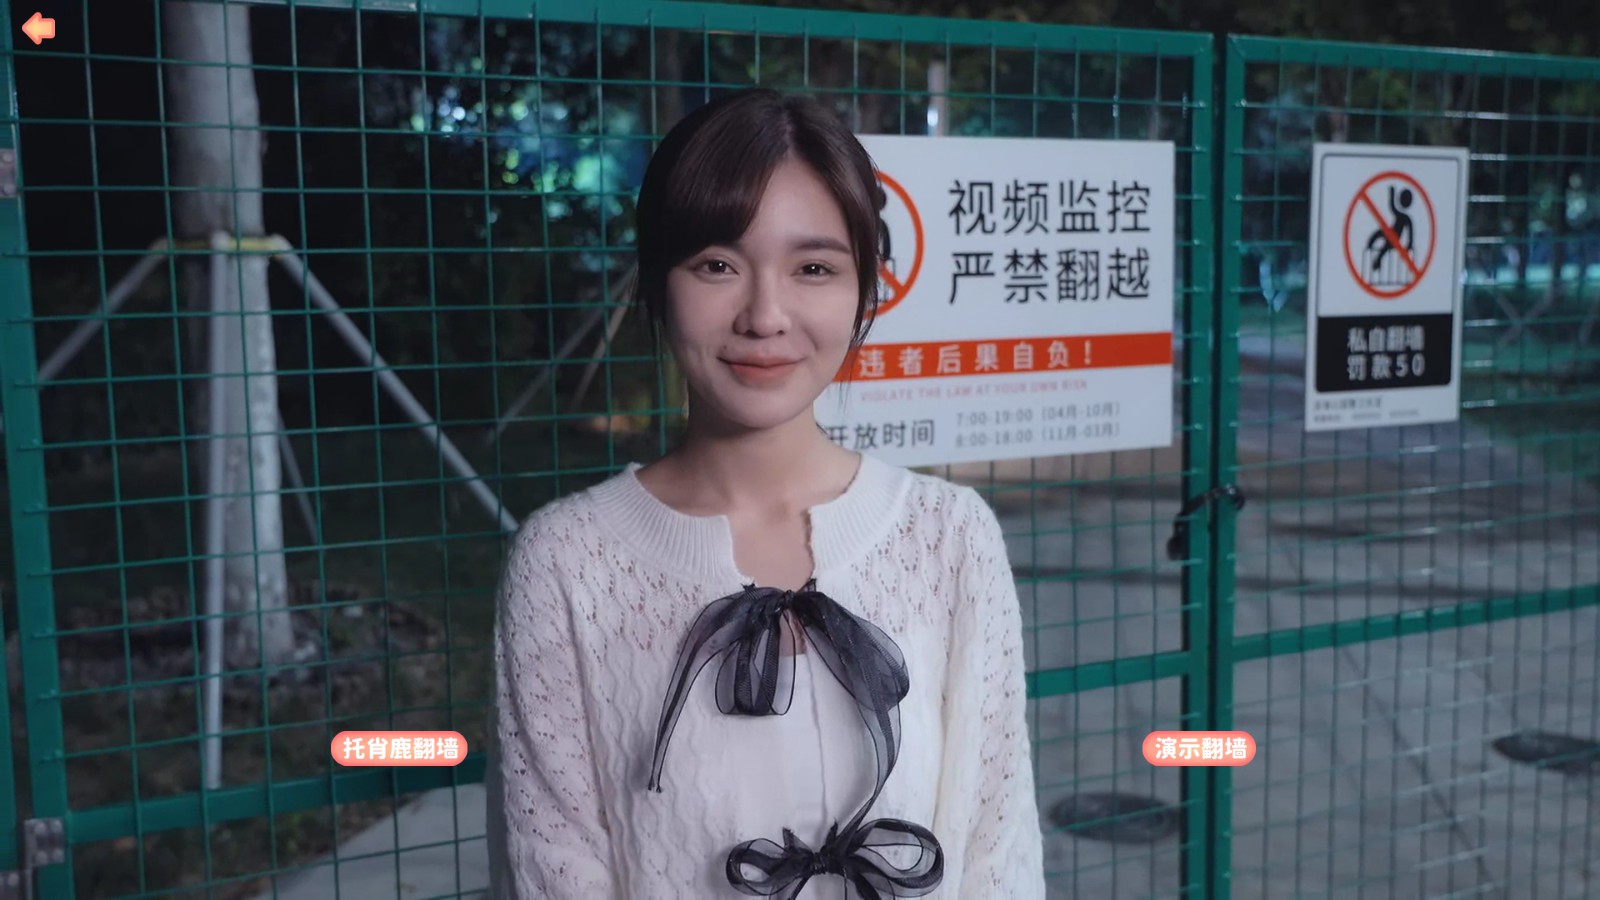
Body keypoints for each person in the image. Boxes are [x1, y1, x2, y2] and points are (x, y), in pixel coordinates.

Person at [485, 87, 1046, 899]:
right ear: (656, 285)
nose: (765, 315)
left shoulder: (950, 535)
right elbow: (552, 871)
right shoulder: (565, 563)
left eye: (814, 268)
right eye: (717, 265)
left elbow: (998, 849)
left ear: (865, 293)